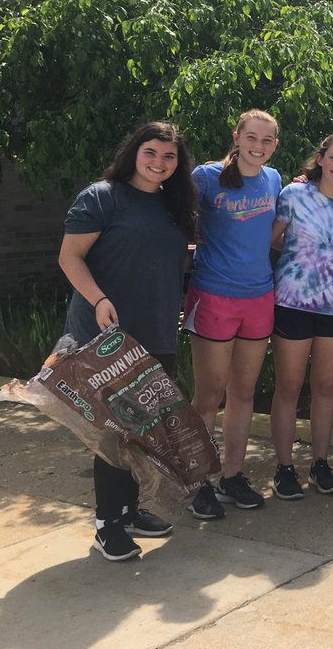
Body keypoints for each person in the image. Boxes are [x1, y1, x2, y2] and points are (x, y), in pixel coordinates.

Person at [58, 121, 196, 560]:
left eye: (169, 156)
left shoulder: (174, 207)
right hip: (106, 335)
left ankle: (131, 510)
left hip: (155, 331)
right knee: (115, 433)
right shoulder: (103, 196)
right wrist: (99, 300)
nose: (159, 162)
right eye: (151, 152)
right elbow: (69, 256)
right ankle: (107, 525)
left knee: (143, 430)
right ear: (134, 152)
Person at [187, 109, 282, 519]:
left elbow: (274, 231)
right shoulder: (205, 178)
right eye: (252, 137)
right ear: (237, 135)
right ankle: (197, 482)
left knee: (244, 392)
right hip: (213, 296)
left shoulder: (274, 179)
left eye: (267, 140)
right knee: (209, 394)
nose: (258, 146)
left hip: (260, 296)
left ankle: (232, 476)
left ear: (275, 144)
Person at [267, 133, 333, 499]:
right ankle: (284, 467)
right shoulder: (294, 195)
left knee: (325, 387)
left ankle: (320, 463)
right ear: (321, 158)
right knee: (289, 388)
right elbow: (273, 240)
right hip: (292, 303)